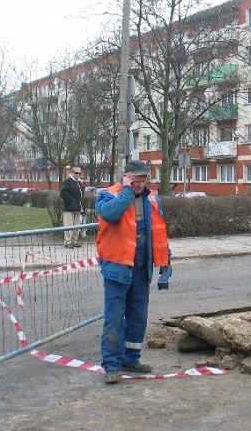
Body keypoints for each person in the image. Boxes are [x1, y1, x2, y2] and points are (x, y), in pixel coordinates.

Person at [96, 160, 172, 384]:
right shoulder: (108, 195)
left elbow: (157, 231)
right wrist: (127, 192)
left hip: (141, 266)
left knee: (138, 317)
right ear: (126, 176)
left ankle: (131, 358)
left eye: (143, 180)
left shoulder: (151, 198)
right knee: (115, 318)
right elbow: (110, 215)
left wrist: (165, 259)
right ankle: (111, 365)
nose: (140, 184)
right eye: (136, 180)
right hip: (117, 266)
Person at [60, 166, 85, 248]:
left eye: (79, 173)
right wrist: (72, 202)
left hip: (78, 208)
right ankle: (67, 242)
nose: (78, 175)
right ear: (72, 172)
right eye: (76, 173)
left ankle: (75, 241)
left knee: (77, 226)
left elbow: (81, 195)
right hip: (69, 208)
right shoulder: (67, 182)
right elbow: (63, 193)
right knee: (69, 226)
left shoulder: (79, 182)